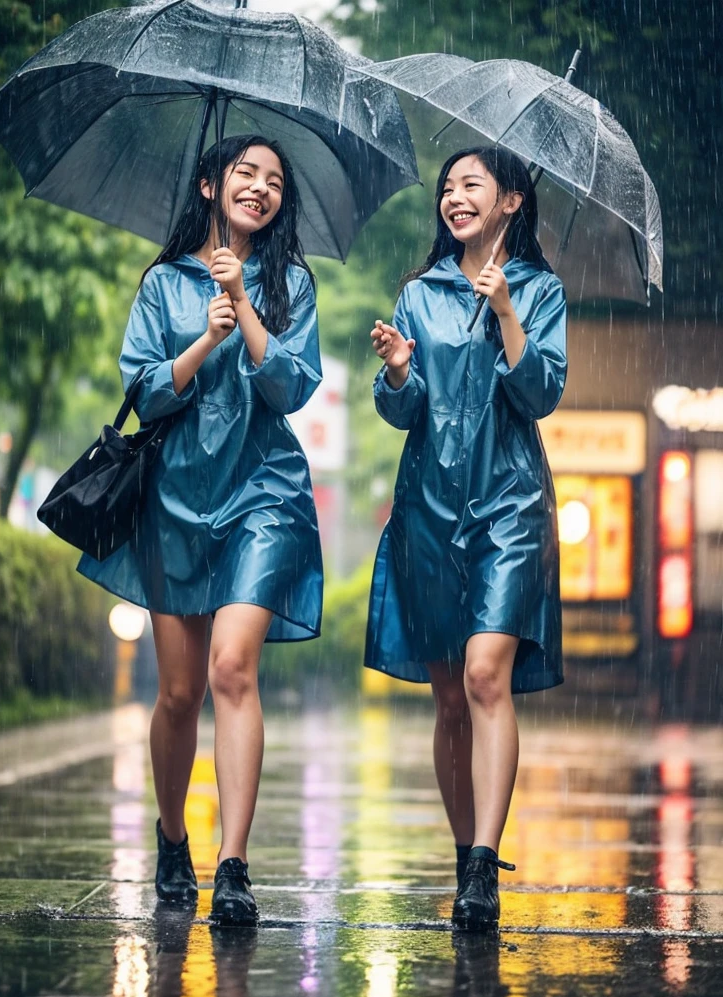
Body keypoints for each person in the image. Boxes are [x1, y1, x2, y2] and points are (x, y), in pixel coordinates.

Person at [79, 134, 323, 927]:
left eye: (274, 181)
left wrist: (247, 307)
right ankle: (173, 835)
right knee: (179, 694)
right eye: (246, 174)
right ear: (211, 185)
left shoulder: (292, 281)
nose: (261, 188)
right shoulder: (163, 282)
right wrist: (207, 334)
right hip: (176, 498)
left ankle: (233, 864)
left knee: (230, 670)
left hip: (263, 492)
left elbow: (290, 389)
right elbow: (146, 392)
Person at [365, 146, 567, 931]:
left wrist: (510, 309)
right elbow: (402, 413)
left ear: (512, 201)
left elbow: (541, 392)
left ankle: (485, 862)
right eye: (447, 188)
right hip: (428, 509)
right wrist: (397, 370)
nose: (454, 198)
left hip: (510, 505)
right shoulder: (420, 292)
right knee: (450, 698)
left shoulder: (540, 290)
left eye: (471, 186)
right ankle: (463, 854)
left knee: (487, 675)